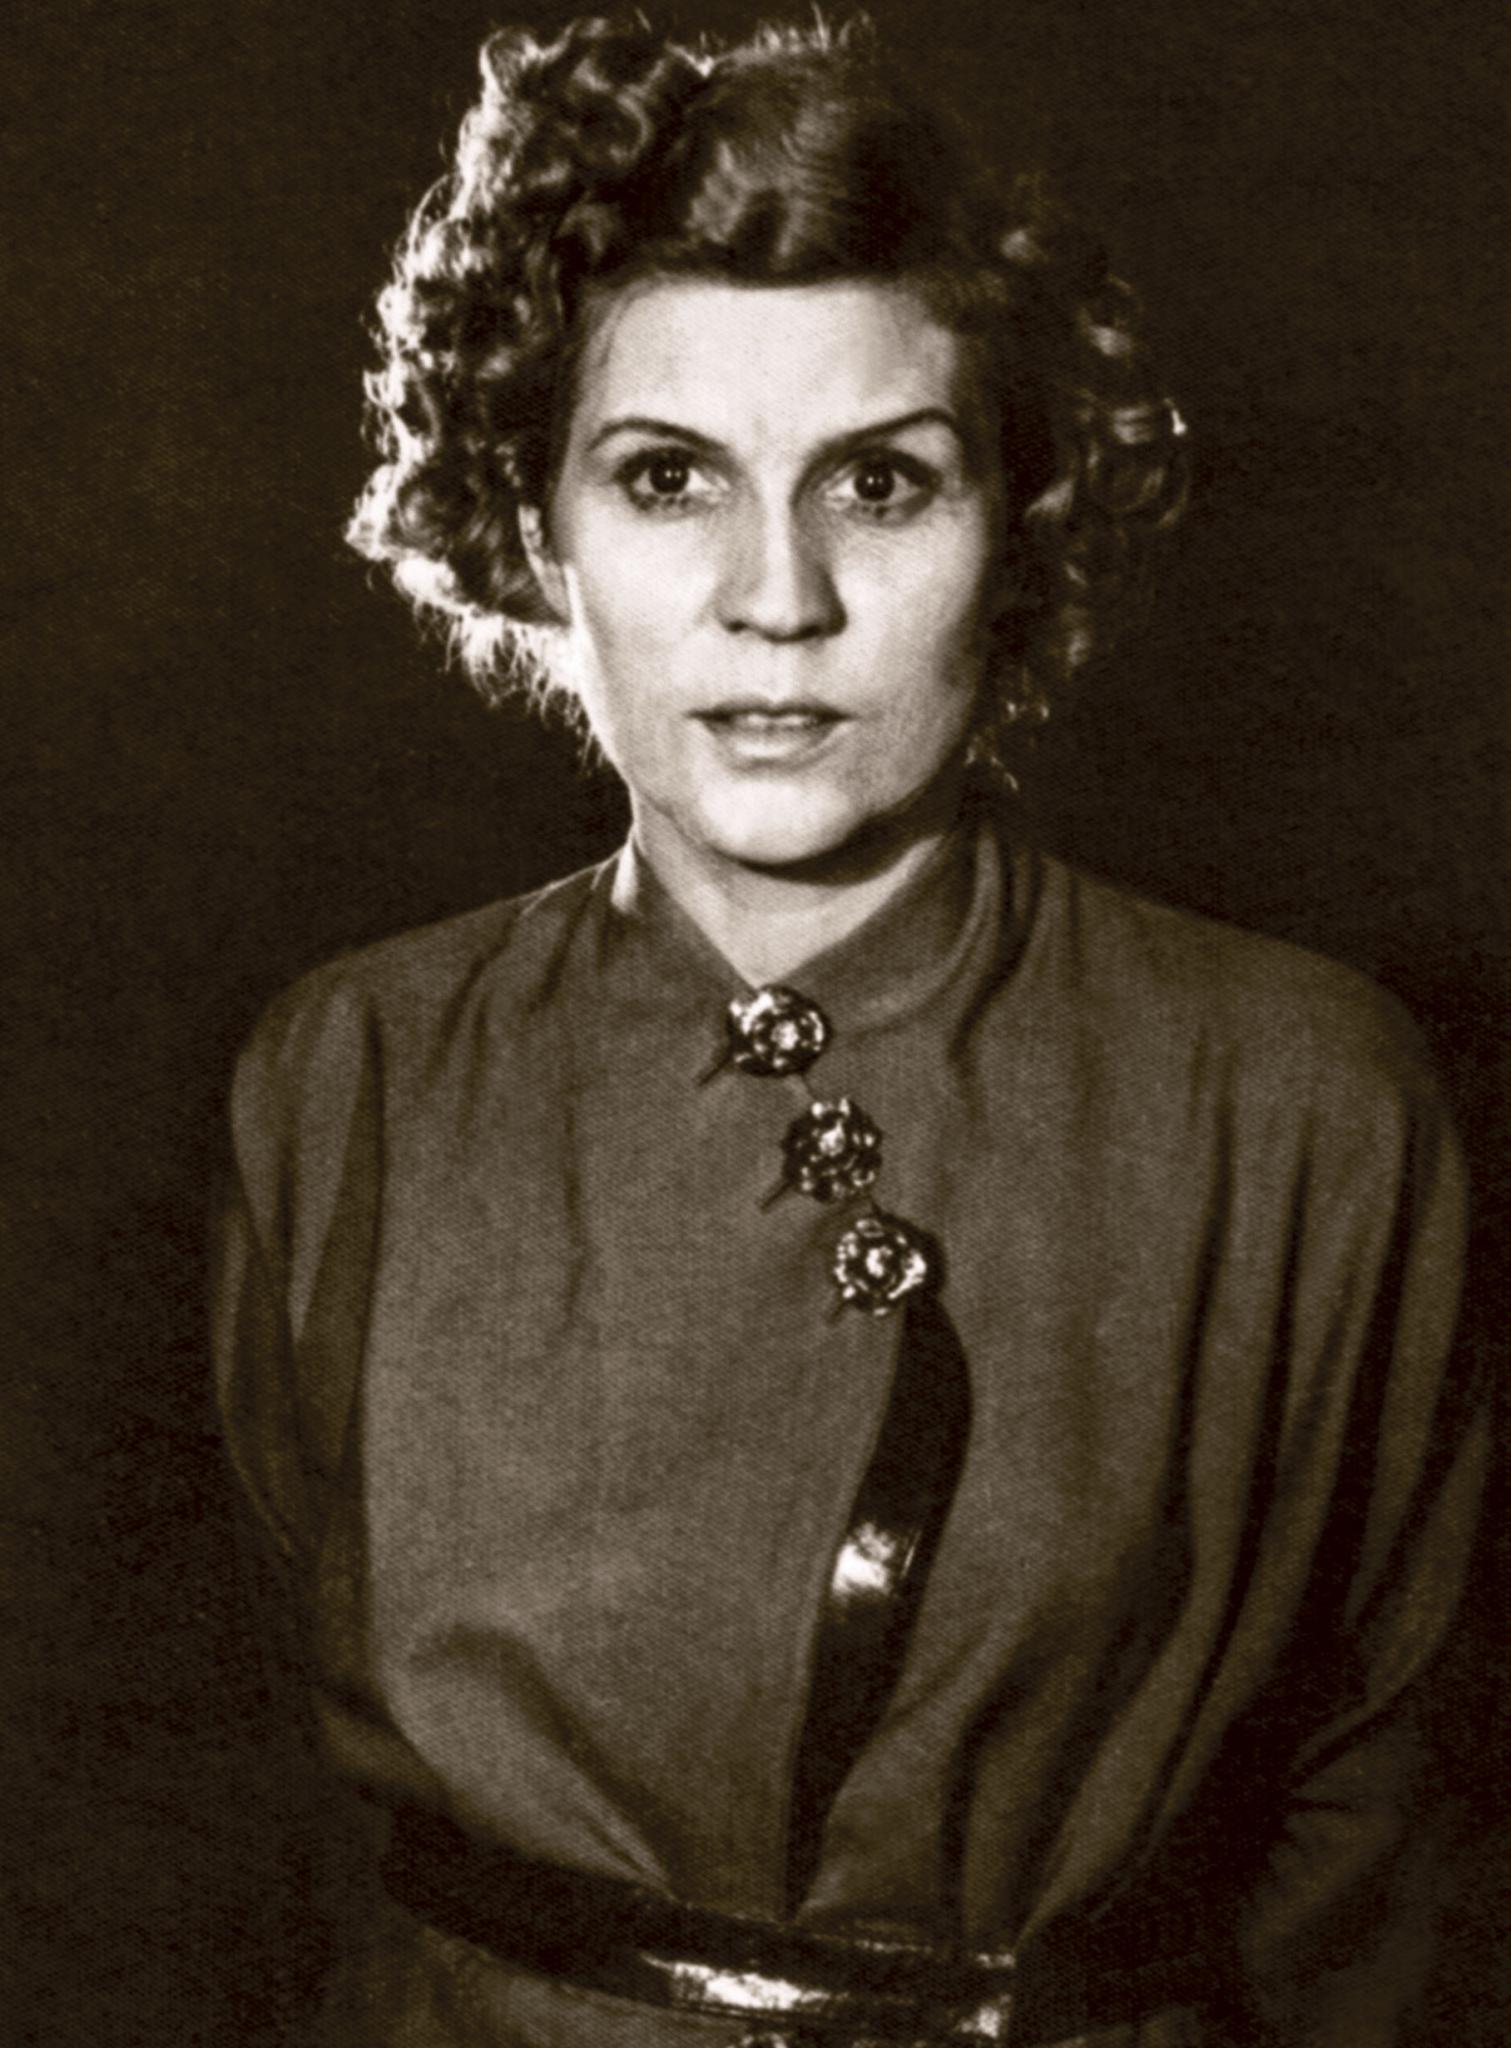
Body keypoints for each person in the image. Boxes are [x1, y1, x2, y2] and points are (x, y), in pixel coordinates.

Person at [212, 15, 1488, 2045]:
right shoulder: (349, 1077)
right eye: (667, 480)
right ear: (534, 529)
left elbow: (1376, 1852)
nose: (778, 597)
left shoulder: (1299, 1098)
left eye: (881, 485)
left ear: (1018, 528)